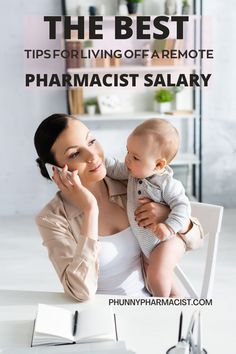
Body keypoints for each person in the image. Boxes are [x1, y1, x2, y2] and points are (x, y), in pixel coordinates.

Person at [34, 114, 202, 301]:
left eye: (91, 141)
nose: (93, 156)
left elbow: (196, 240)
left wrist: (166, 215)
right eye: (75, 154)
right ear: (55, 171)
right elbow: (79, 292)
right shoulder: (52, 218)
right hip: (100, 317)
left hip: (152, 304)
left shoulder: (133, 182)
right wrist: (90, 209)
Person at [105, 118, 203, 297]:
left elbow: (182, 207)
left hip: (168, 240)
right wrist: (98, 158)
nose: (127, 159)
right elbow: (113, 168)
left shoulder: (167, 184)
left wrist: (169, 226)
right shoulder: (133, 172)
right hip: (149, 244)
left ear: (159, 165)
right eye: (128, 152)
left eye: (135, 157)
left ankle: (160, 310)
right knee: (163, 280)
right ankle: (177, 305)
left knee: (157, 276)